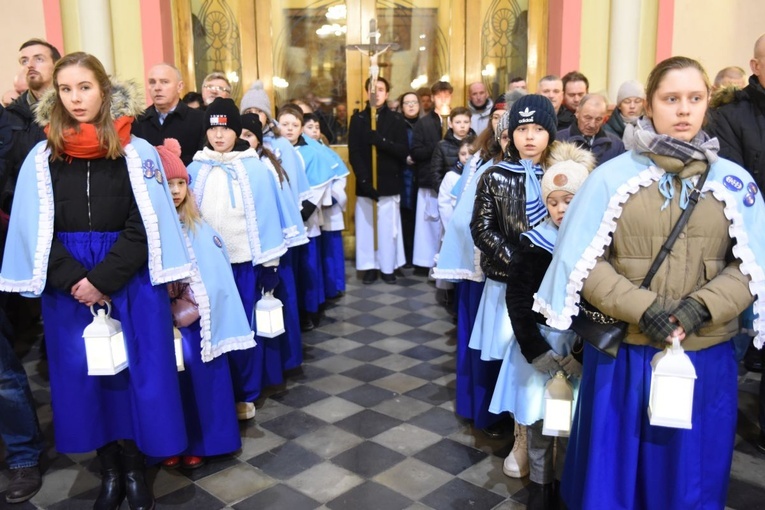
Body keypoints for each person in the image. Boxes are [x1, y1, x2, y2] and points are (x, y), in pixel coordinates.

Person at [535, 56, 765, 510]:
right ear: (649, 106)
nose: (683, 110)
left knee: (690, 478)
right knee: (615, 473)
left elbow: (752, 265)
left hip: (702, 351)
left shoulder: (735, 182)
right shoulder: (611, 178)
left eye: (694, 99)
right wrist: (643, 308)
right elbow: (585, 262)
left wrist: (702, 306)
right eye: (671, 99)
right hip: (627, 353)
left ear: (707, 106)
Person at [0, 51, 193, 510]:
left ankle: (134, 470)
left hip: (129, 276)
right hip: (67, 283)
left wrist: (105, 277)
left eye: (84, 87)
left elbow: (145, 221)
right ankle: (109, 470)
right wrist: (75, 280)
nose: (75, 98)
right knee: (88, 379)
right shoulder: (42, 155)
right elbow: (35, 227)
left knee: (136, 374)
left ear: (103, 90)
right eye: (65, 89)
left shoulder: (136, 150)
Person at [489, 142, 595, 509]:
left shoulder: (595, 244)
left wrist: (579, 352)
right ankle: (540, 487)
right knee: (537, 421)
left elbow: (597, 305)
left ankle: (565, 488)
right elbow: (517, 301)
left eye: (569, 200)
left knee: (568, 424)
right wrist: (536, 350)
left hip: (573, 347)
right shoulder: (533, 242)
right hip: (540, 347)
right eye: (553, 202)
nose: (560, 209)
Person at [188, 98, 296, 421]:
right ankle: (220, 392)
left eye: (225, 128)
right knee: (212, 327)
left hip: (243, 261)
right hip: (208, 266)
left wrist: (269, 264)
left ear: (236, 131)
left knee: (245, 328)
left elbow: (265, 217)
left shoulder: (253, 169)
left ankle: (246, 393)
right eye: (213, 128)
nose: (219, 135)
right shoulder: (194, 168)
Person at [470, 94, 559, 479]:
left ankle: (549, 440)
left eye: (538, 129)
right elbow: (483, 229)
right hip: (509, 284)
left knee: (545, 363)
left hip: (553, 289)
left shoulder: (562, 174)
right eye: (522, 129)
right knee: (517, 364)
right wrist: (523, 265)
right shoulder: (494, 176)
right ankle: (521, 438)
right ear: (510, 134)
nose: (530, 137)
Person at [156, 138, 252, 470]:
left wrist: (193, 299)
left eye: (181, 182)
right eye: (169, 184)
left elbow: (215, 274)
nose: (176, 190)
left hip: (196, 323)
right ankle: (171, 441)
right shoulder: (149, 229)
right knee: (169, 384)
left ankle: (204, 440)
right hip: (161, 320)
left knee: (201, 381)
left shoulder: (198, 226)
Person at [709, 33, 765, 453]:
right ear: (756, 65)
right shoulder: (730, 115)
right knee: (735, 338)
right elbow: (731, 184)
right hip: (745, 243)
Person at [348, 77, 408, 284]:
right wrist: (364, 181)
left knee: (387, 229)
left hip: (389, 182)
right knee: (367, 229)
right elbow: (354, 152)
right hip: (367, 184)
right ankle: (369, 266)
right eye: (373, 90)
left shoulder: (396, 120)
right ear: (366, 93)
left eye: (381, 89)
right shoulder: (358, 120)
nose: (377, 93)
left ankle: (387, 266)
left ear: (387, 93)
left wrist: (380, 142)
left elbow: (402, 150)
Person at [411, 81, 453, 273]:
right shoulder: (424, 123)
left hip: (453, 182)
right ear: (433, 98)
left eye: (446, 95)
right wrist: (437, 146)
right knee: (429, 224)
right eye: (439, 96)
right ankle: (426, 262)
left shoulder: (457, 119)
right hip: (430, 180)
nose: (443, 99)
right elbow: (416, 151)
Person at [131, 63, 206, 165]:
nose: (157, 88)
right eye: (152, 82)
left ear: (179, 86)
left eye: (164, 82)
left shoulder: (199, 119)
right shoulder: (137, 120)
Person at [556, 94, 625, 165]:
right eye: (588, 118)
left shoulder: (616, 145)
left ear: (604, 118)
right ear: (577, 113)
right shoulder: (558, 141)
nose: (592, 125)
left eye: (598, 119)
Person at [438, 134, 476, 230]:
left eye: (471, 153)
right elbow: (444, 203)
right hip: (453, 226)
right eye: (463, 154)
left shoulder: (480, 175)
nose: (467, 157)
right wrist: (451, 227)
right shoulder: (451, 176)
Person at [400, 91, 420, 267]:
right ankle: (405, 256)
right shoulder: (398, 124)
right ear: (402, 107)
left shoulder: (425, 124)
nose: (411, 105)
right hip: (402, 174)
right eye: (407, 103)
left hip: (420, 174)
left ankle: (417, 255)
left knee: (418, 216)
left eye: (414, 102)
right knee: (404, 216)